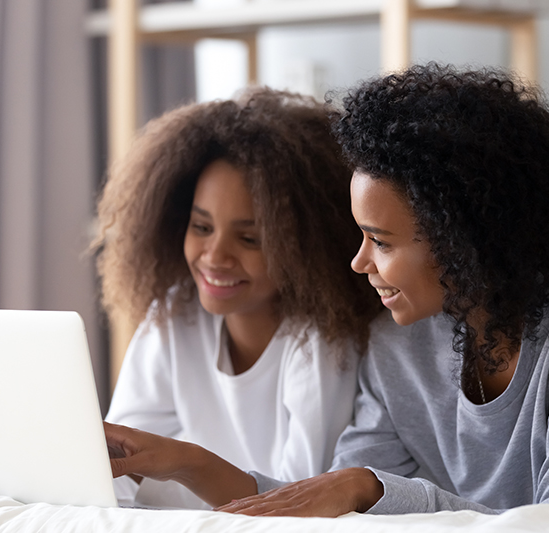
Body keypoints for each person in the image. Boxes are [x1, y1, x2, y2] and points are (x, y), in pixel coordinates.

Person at [215, 63, 549, 518]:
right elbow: (338, 504)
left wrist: (374, 491)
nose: (359, 263)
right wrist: (188, 465)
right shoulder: (396, 342)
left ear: (463, 241)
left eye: (380, 241)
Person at [94, 87, 383, 509]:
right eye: (201, 227)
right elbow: (117, 477)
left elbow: (300, 500)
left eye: (249, 238)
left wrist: (184, 466)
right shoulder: (176, 313)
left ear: (304, 245)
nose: (215, 257)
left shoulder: (321, 341)